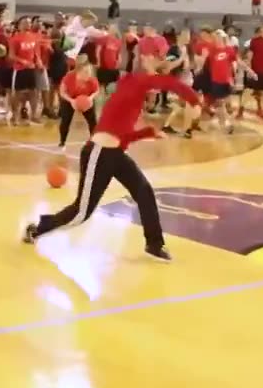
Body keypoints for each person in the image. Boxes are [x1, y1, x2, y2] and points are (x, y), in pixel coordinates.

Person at [23, 53, 203, 262]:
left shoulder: (134, 90)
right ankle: (38, 229)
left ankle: (154, 244)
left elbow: (121, 137)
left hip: (115, 153)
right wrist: (194, 100)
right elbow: (170, 84)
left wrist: (148, 133)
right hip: (98, 154)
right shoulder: (135, 81)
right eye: (154, 59)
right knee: (82, 212)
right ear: (144, 62)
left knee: (144, 191)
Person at [57, 54, 100, 147]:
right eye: (86, 72)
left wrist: (90, 98)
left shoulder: (92, 79)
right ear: (79, 71)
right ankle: (62, 141)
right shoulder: (69, 77)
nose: (88, 74)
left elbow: (97, 91)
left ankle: (94, 142)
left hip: (86, 99)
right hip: (69, 99)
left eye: (89, 72)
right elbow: (62, 92)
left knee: (93, 121)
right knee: (65, 121)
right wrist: (71, 101)